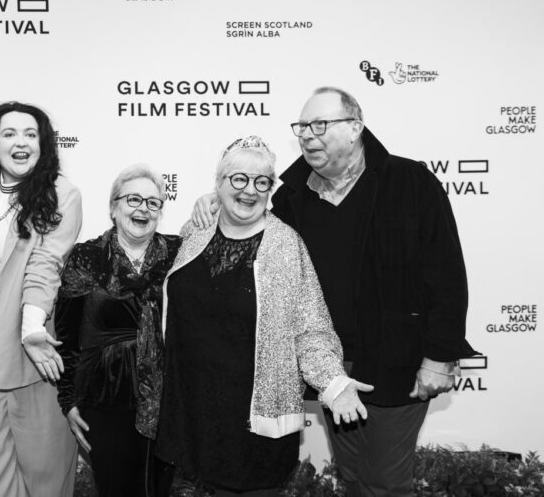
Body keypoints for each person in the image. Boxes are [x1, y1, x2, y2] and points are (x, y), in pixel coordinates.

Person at [195, 88, 477, 496]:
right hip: (332, 370)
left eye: (320, 125)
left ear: (355, 128)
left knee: (385, 482)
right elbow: (250, 223)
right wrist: (213, 199)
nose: (308, 136)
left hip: (397, 363)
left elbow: (447, 273)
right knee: (351, 474)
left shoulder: (410, 181)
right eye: (303, 127)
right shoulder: (292, 196)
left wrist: (440, 356)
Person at [159, 136, 371, 497]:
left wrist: (333, 383)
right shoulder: (195, 233)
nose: (250, 190)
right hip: (195, 414)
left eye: (262, 182)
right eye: (239, 179)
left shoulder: (285, 245)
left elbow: (311, 327)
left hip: (254, 421)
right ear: (219, 184)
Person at [0, 101, 80, 497]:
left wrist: (32, 327)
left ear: (43, 145)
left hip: (29, 340)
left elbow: (45, 263)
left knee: (45, 472)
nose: (20, 142)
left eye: (30, 134)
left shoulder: (61, 194)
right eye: (9, 133)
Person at [54, 164, 181, 497]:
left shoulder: (179, 255)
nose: (143, 209)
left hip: (167, 399)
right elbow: (66, 335)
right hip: (103, 398)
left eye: (153, 203)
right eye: (133, 199)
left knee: (159, 490)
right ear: (113, 207)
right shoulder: (88, 256)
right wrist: (68, 401)